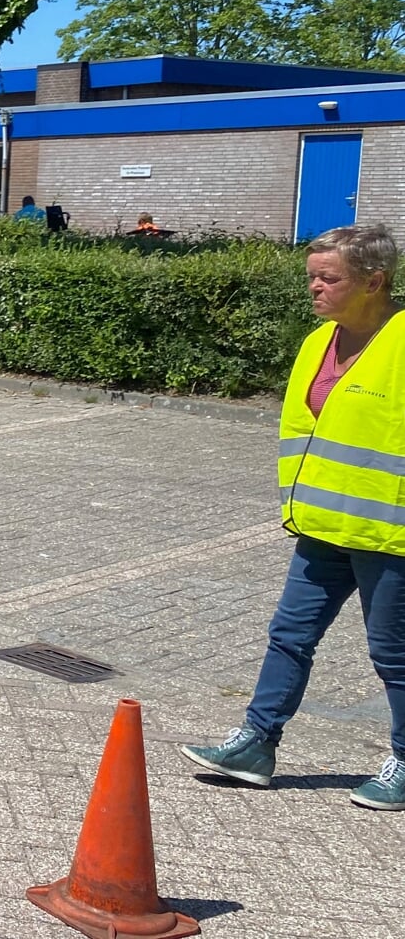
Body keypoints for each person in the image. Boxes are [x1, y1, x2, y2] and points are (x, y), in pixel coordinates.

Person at [178, 223, 405, 811]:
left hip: (390, 536)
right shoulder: (316, 343)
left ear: (374, 282)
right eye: (311, 277)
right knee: (289, 637)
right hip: (319, 527)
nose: (314, 289)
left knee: (393, 655)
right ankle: (256, 742)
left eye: (328, 278)